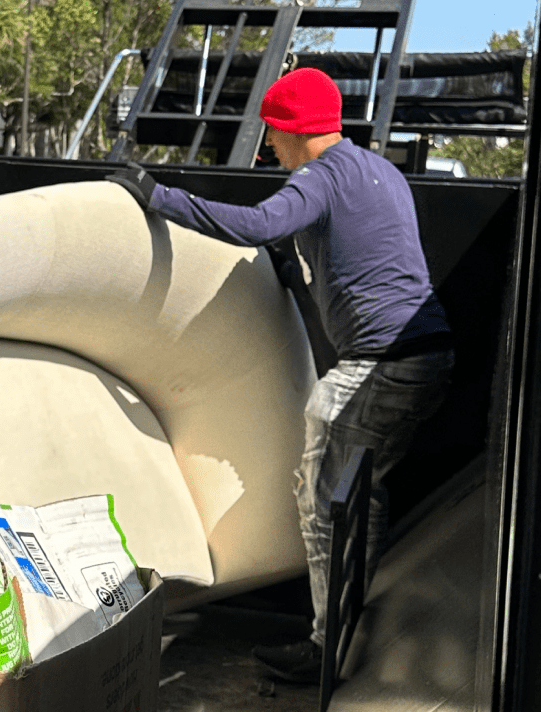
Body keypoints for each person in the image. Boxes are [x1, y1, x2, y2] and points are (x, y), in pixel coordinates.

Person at [107, 67, 454, 683]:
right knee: (356, 498)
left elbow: (261, 223)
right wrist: (295, 273)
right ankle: (354, 632)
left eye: (271, 132)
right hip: (428, 356)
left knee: (321, 500)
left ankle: (328, 649)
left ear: (291, 129)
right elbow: (362, 254)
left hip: (380, 367)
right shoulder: (381, 172)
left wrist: (155, 195)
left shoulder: (317, 177)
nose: (268, 146)